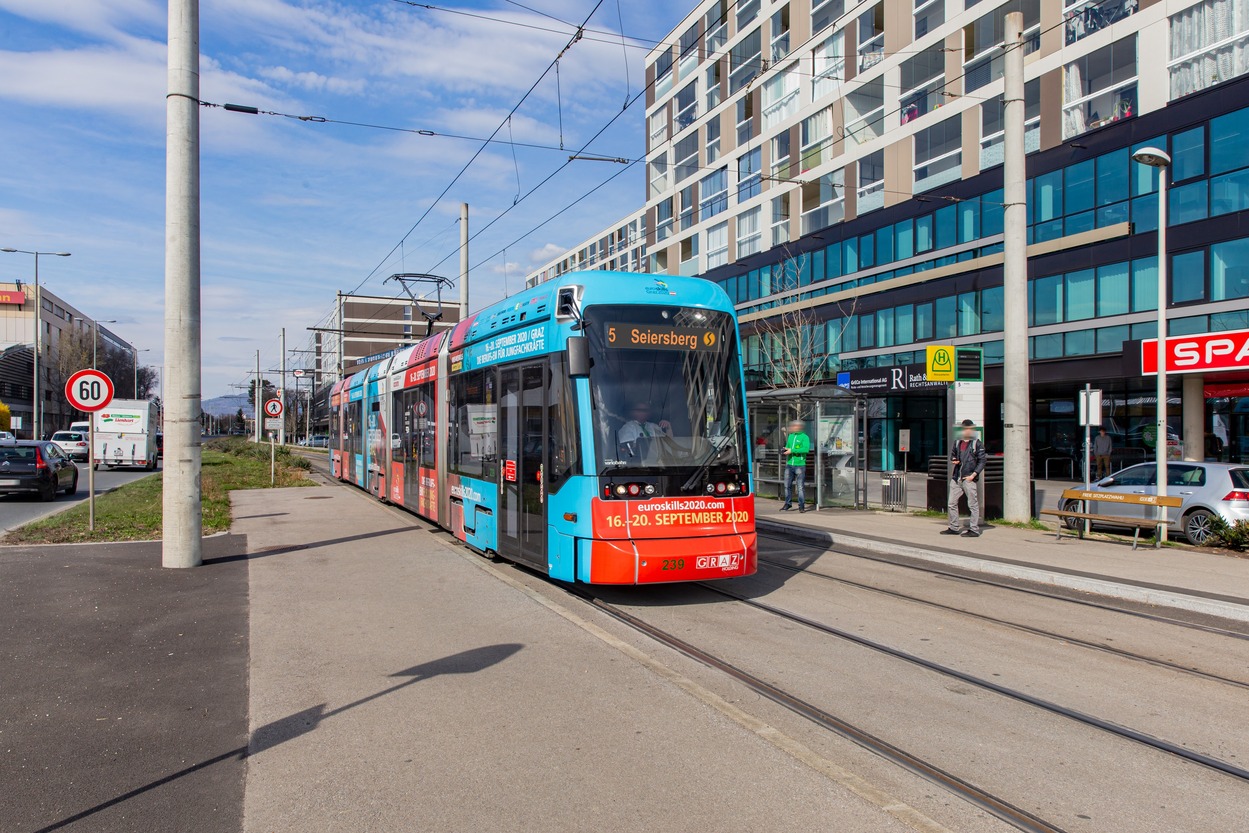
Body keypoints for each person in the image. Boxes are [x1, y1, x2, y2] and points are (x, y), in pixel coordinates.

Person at [943, 419, 987, 537]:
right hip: (957, 477)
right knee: (951, 503)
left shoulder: (976, 443)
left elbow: (982, 461)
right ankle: (953, 527)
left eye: (969, 428)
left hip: (968, 478)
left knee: (973, 504)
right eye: (965, 428)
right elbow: (953, 454)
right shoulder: (957, 442)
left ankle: (974, 529)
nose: (967, 431)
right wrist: (954, 460)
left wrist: (973, 475)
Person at [780, 419, 811, 513]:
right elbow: (789, 446)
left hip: (800, 465)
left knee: (800, 486)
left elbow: (805, 449)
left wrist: (792, 450)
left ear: (799, 427)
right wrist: (785, 449)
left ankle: (801, 505)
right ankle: (788, 503)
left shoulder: (804, 437)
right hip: (790, 464)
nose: (793, 428)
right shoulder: (791, 436)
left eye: (795, 426)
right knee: (787, 485)